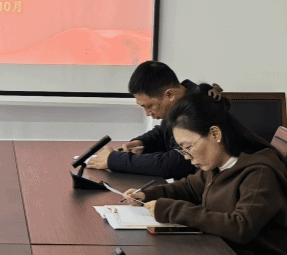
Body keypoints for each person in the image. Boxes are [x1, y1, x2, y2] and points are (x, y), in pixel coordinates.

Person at [125, 92, 287, 255]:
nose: (186, 156)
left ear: (215, 134)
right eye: (182, 150)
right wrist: (148, 194)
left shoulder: (259, 174)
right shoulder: (217, 165)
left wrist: (172, 210)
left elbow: (240, 227)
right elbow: (189, 188)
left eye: (188, 147)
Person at [87, 60, 222, 179]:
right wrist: (142, 142)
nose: (147, 113)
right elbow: (163, 132)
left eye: (149, 106)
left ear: (170, 95)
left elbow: (174, 164)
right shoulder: (180, 102)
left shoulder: (199, 109)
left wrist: (114, 160)